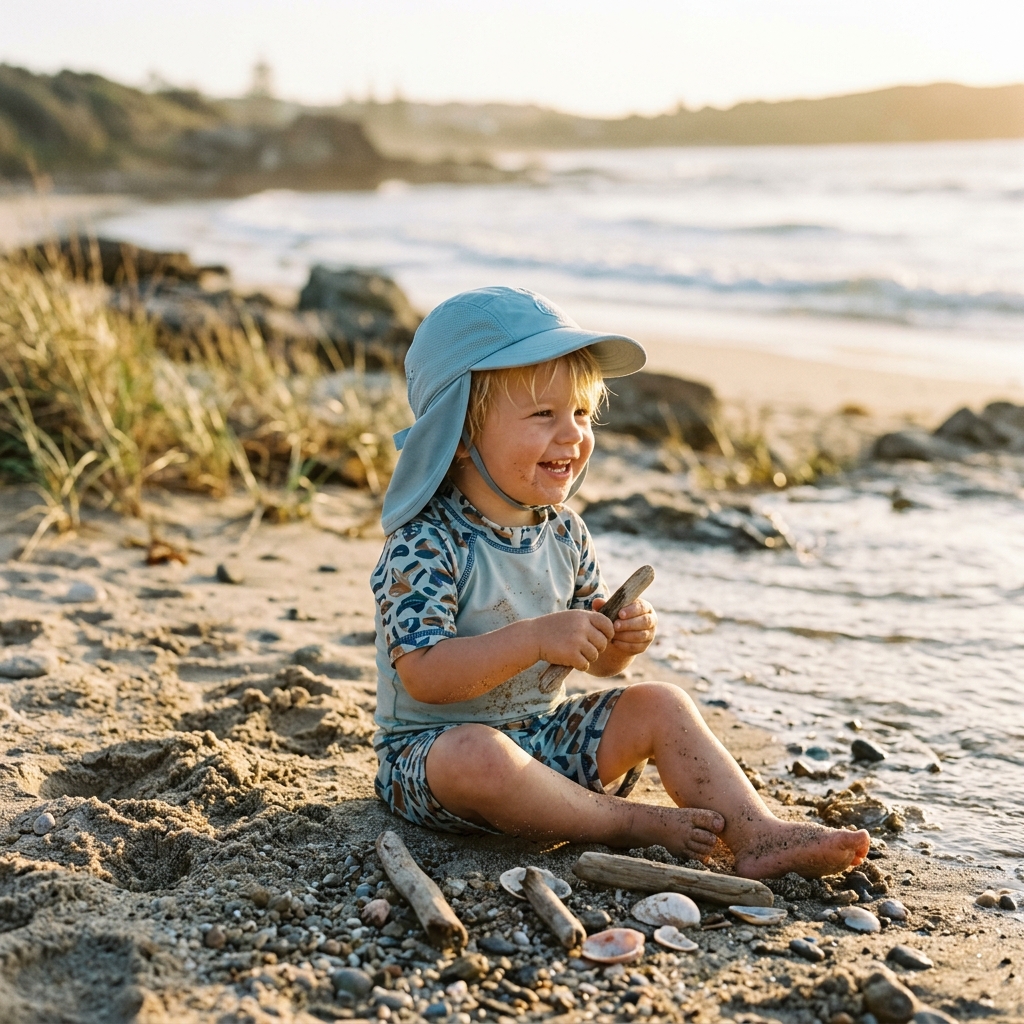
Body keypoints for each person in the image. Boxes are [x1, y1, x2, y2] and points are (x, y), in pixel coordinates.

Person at [370, 286, 869, 877]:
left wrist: (618, 640)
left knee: (660, 702)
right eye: (543, 415)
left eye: (582, 414)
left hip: (544, 739)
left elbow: (594, 663)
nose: (573, 435)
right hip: (433, 760)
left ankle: (756, 833)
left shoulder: (565, 535)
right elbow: (424, 675)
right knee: (476, 755)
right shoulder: (426, 542)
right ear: (457, 436)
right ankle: (624, 822)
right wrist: (534, 638)